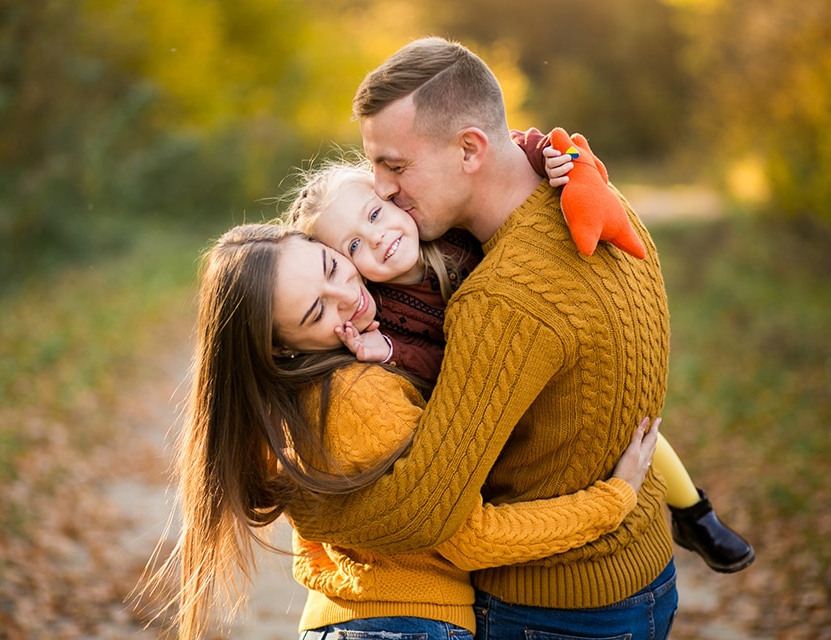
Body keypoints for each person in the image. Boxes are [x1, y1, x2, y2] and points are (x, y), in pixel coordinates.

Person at [281, 36, 700, 640]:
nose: (382, 188)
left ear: (471, 149)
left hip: (552, 606)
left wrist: (304, 503)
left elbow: (427, 510)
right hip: (641, 571)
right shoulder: (599, 201)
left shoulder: (501, 298)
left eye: (395, 167)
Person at [158, 222, 664, 640]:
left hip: (357, 619)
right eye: (317, 312)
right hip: (408, 624)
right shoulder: (358, 395)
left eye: (333, 267)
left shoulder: (296, 395)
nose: (348, 298)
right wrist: (612, 500)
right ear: (282, 347)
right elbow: (469, 538)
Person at [286, 151, 754, 575]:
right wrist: (387, 353)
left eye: (374, 214)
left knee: (630, 421)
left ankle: (695, 513)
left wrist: (546, 154)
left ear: (393, 200)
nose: (376, 239)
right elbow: (438, 371)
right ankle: (572, 527)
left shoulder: (450, 229)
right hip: (485, 396)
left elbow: (491, 152)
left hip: (540, 354)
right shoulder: (383, 314)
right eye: (351, 247)